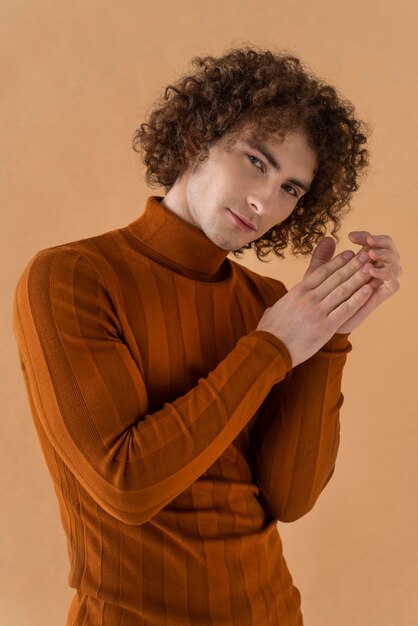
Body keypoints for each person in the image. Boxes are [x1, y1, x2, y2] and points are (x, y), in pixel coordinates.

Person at [12, 46, 401, 625]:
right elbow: (127, 487)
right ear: (196, 138)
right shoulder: (71, 277)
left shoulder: (270, 305)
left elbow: (288, 499)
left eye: (292, 189)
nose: (265, 201)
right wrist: (272, 348)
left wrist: (328, 337)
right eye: (256, 161)